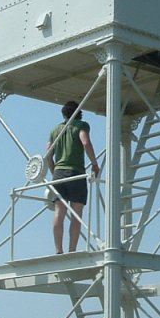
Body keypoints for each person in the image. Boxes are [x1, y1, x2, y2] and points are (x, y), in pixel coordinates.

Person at [45, 100, 100, 254]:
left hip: (59, 174)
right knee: (76, 214)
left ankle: (58, 250)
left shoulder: (55, 130)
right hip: (76, 172)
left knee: (59, 213)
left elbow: (48, 154)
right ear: (79, 113)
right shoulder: (81, 126)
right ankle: (72, 250)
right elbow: (85, 142)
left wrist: (54, 171)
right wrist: (95, 164)